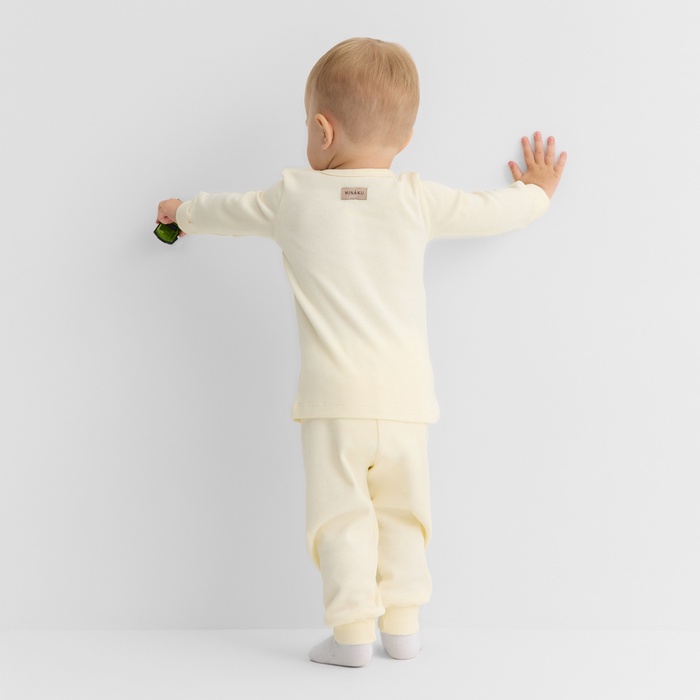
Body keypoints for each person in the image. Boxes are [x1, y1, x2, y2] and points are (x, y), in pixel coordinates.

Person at [156, 37, 566, 668]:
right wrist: (537, 193)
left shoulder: (292, 197)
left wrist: (179, 212)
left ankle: (351, 635)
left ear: (323, 130)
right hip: (406, 402)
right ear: (405, 138)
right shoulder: (417, 199)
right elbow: (490, 211)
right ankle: (403, 629)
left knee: (341, 518)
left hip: (333, 403)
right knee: (405, 515)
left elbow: (224, 213)